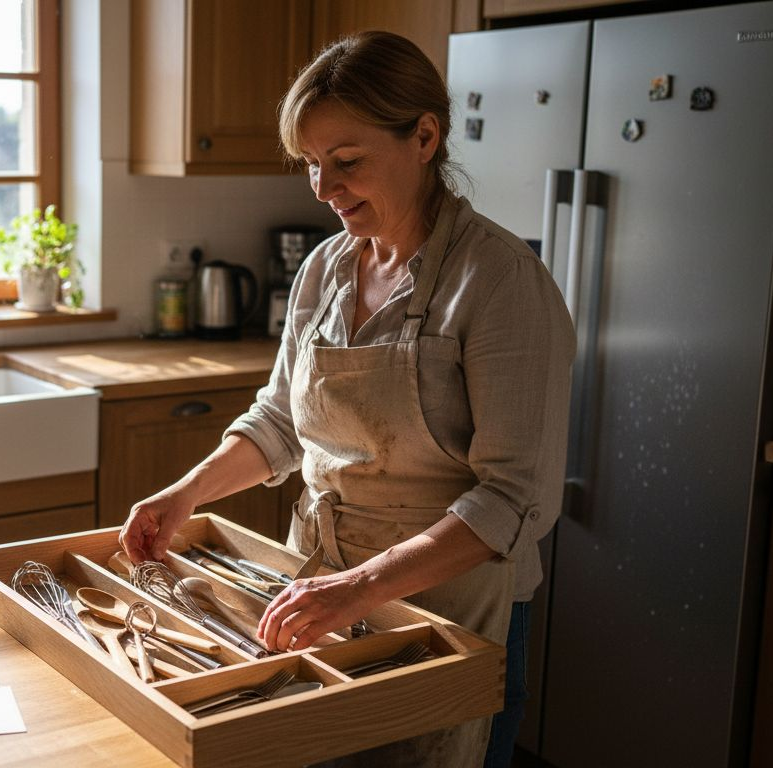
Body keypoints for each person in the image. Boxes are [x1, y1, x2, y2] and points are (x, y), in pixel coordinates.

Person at [119, 31, 575, 768]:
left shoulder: (498, 281)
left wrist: (361, 586)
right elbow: (278, 422)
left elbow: (514, 500)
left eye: (347, 161)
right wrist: (187, 493)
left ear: (424, 137)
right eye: (311, 165)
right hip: (318, 594)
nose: (324, 189)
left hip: (449, 610)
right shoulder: (326, 269)